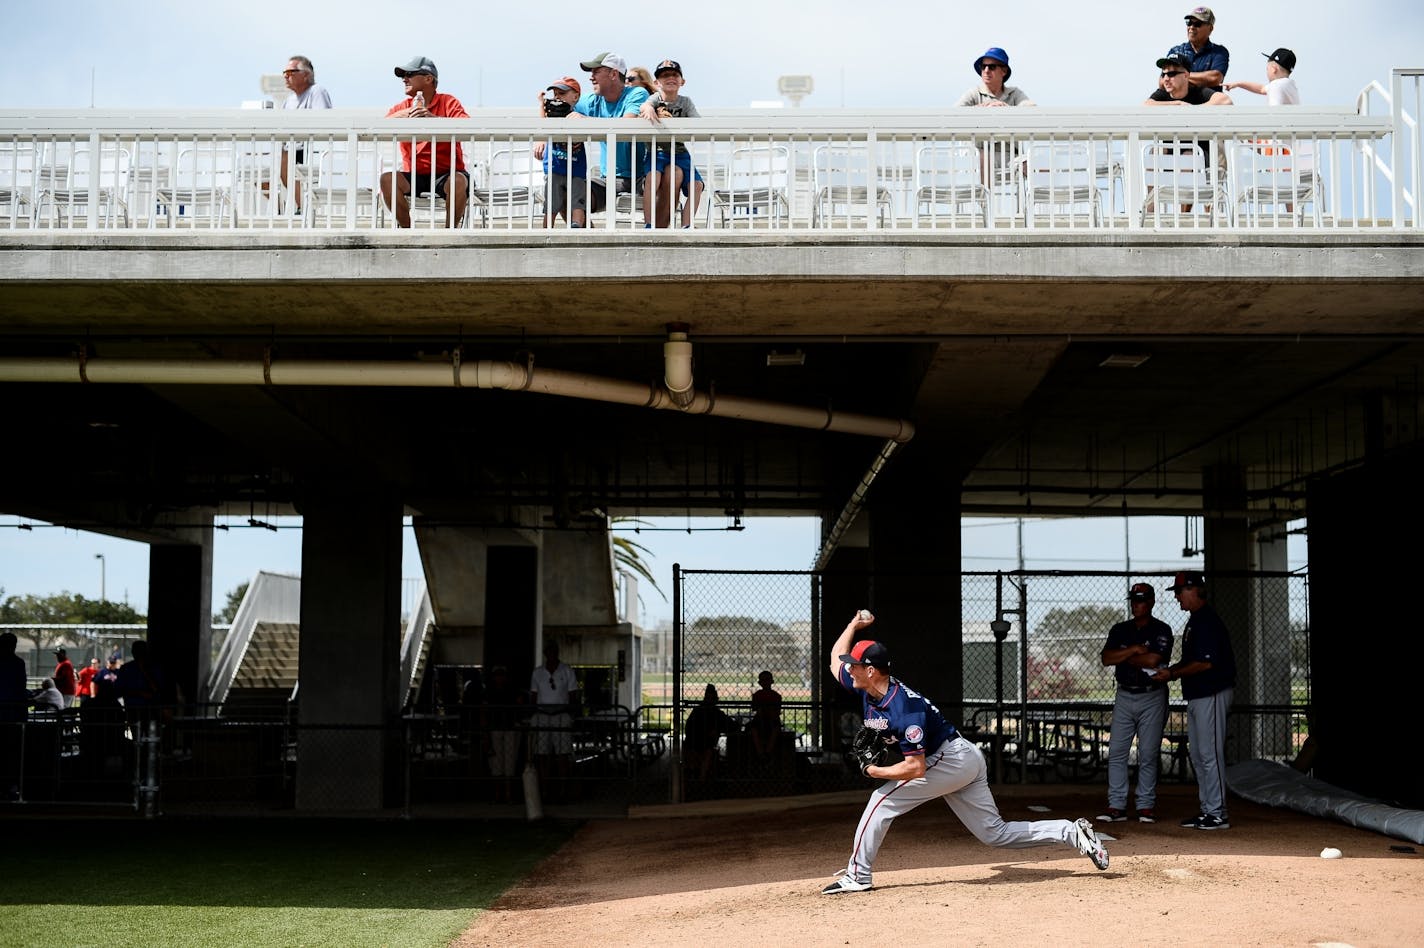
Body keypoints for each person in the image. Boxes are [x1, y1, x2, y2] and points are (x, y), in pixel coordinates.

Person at [822, 609, 1108, 894]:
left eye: (854, 665)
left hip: (950, 760)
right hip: (960, 758)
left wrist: (874, 771)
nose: (849, 669)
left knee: (880, 801)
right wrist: (853, 625)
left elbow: (916, 768)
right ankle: (1072, 832)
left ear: (870, 671)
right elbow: (836, 660)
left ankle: (858, 875)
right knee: (994, 833)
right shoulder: (866, 687)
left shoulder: (904, 709)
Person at [1152, 571, 1236, 830]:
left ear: (1193, 590)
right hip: (1199, 694)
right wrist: (1173, 670)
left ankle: (1218, 813)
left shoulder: (1207, 620)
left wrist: (1173, 673)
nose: (1177, 597)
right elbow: (1192, 661)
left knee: (1210, 753)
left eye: (1179, 591)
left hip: (1211, 692)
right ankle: (1208, 809)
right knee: (1199, 755)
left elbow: (1205, 663)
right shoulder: (1195, 620)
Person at [1097, 582, 1174, 824]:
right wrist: (1133, 650)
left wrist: (1126, 656)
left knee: (1148, 753)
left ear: (1151, 602)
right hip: (1125, 694)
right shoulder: (1120, 629)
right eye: (1133, 600)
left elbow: (1153, 660)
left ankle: (1145, 806)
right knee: (1117, 752)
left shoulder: (1162, 629)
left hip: (1152, 695)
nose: (1136, 604)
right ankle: (1117, 806)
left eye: (1141, 600)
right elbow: (1106, 658)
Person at [380, 57, 470, 229]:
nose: (404, 79)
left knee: (458, 181)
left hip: (448, 173)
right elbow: (382, 127)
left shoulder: (448, 101)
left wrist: (434, 120)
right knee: (387, 179)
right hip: (414, 174)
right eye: (403, 76)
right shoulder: (402, 107)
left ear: (428, 78)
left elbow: (466, 126)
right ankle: (408, 232)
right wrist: (406, 114)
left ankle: (449, 234)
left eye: (409, 74)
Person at [567, 52, 649, 220]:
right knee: (568, 192)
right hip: (607, 181)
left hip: (642, 178)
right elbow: (558, 108)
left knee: (661, 183)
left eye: (596, 72)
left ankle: (659, 237)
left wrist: (585, 120)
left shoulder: (637, 93)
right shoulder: (590, 101)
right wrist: (541, 140)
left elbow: (626, 126)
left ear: (613, 74)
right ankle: (586, 240)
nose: (591, 78)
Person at [638, 59, 705, 229]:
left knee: (697, 185)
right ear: (656, 82)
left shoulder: (686, 102)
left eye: (675, 75)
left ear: (682, 81)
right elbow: (645, 106)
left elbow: (697, 122)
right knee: (653, 178)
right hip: (657, 151)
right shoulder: (655, 98)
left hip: (680, 152)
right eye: (665, 75)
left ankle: (687, 225)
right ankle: (648, 223)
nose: (670, 78)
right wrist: (648, 109)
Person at [279, 55, 333, 213]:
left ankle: (304, 208)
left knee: (285, 159)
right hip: (293, 148)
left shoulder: (317, 91)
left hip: (312, 150)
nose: (286, 75)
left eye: (291, 71)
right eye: (285, 72)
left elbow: (322, 122)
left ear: (306, 75)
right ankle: (298, 207)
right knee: (267, 162)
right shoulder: (289, 101)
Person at [529, 641, 579, 802]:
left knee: (562, 755)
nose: (551, 654)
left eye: (554, 650)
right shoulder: (537, 673)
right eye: (548, 651)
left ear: (557, 652)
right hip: (542, 715)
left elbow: (573, 695)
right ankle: (544, 790)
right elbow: (534, 696)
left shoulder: (567, 670)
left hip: (561, 715)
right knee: (542, 755)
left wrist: (571, 715)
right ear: (545, 653)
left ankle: (563, 790)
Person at [536, 77, 589, 228]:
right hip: (554, 165)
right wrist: (542, 104)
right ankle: (547, 231)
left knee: (578, 201)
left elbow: (589, 125)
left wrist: (582, 119)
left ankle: (577, 226)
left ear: (576, 96)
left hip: (576, 166)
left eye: (562, 93)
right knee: (551, 204)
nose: (557, 97)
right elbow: (543, 123)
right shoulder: (551, 113)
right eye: (555, 94)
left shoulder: (578, 114)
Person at [481, 665, 523, 804]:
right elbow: (484, 712)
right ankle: (498, 793)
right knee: (496, 763)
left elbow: (519, 706)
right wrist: (486, 732)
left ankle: (508, 793)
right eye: (497, 675)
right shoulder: (489, 692)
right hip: (495, 729)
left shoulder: (512, 690)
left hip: (510, 728)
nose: (499, 678)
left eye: (501, 675)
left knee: (509, 762)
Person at [683, 683, 737, 783]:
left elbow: (688, 729)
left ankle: (695, 779)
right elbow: (732, 726)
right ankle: (700, 780)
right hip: (701, 743)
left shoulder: (699, 711)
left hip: (694, 743)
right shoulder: (715, 713)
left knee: (701, 755)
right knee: (707, 753)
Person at [1169, 6, 1230, 92]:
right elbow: (1164, 81)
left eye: (1198, 24)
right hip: (1181, 104)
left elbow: (1215, 78)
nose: (1192, 27)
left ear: (1210, 28)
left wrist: (1179, 76)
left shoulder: (1219, 52)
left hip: (1208, 103)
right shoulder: (1176, 51)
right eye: (1189, 23)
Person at [955, 47, 1035, 107]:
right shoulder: (974, 94)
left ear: (1004, 71)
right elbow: (954, 114)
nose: (986, 70)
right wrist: (981, 109)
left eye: (992, 67)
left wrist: (1005, 108)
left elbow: (1032, 109)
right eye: (983, 66)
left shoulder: (1014, 93)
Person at [1145, 53, 1233, 107]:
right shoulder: (1162, 94)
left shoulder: (1198, 92)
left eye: (1171, 74)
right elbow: (1146, 105)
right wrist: (1177, 104)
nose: (1166, 79)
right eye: (1163, 74)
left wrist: (1192, 110)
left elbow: (1225, 100)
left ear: (1186, 75)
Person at [0, 632, 26, 800]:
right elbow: (20, 688)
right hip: (12, 715)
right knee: (11, 752)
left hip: (8, 713)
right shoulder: (17, 663)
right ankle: (9, 785)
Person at [1226, 48, 1300, 105]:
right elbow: (1261, 89)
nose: (1266, 72)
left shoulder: (1276, 86)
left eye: (1267, 69)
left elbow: (1275, 112)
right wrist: (1238, 84)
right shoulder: (1290, 85)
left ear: (1274, 69)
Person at [744, 670, 783, 770]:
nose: (765, 682)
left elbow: (775, 712)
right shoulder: (759, 695)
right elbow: (757, 710)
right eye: (763, 680)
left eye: (767, 680)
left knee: (773, 729)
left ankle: (764, 754)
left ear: (771, 681)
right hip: (762, 719)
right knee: (755, 729)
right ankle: (764, 754)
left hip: (770, 719)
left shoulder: (775, 696)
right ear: (760, 683)